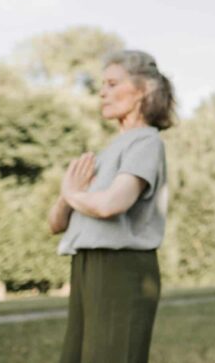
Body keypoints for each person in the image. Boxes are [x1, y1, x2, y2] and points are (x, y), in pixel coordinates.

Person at [48, 50, 174, 363]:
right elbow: (55, 223)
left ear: (142, 89)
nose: (102, 92)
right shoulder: (107, 151)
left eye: (112, 83)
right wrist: (69, 194)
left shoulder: (146, 142)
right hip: (85, 264)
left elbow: (111, 205)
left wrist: (71, 193)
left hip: (122, 268)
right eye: (101, 85)